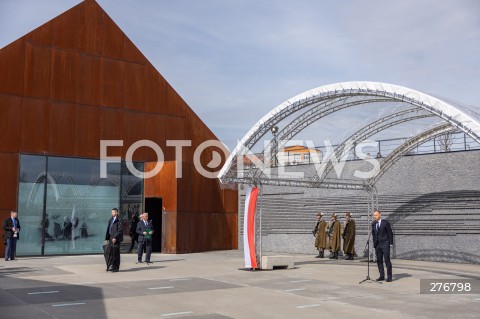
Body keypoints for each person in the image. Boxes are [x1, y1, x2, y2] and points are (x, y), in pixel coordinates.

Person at [372, 210, 394, 282]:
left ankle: (389, 277)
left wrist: (391, 243)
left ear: (380, 215)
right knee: (379, 261)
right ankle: (381, 275)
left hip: (385, 244)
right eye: (374, 215)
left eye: (376, 215)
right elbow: (373, 234)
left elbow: (390, 233)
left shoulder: (385, 223)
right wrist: (374, 242)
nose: (374, 216)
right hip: (377, 245)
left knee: (387, 260)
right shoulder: (373, 224)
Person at [104, 208, 123, 272]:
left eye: (113, 212)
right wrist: (106, 238)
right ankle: (112, 265)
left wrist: (115, 237)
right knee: (110, 253)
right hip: (111, 238)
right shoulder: (111, 219)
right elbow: (108, 229)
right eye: (112, 212)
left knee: (116, 253)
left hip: (116, 239)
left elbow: (120, 230)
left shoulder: (119, 220)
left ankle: (116, 267)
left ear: (117, 213)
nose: (112, 213)